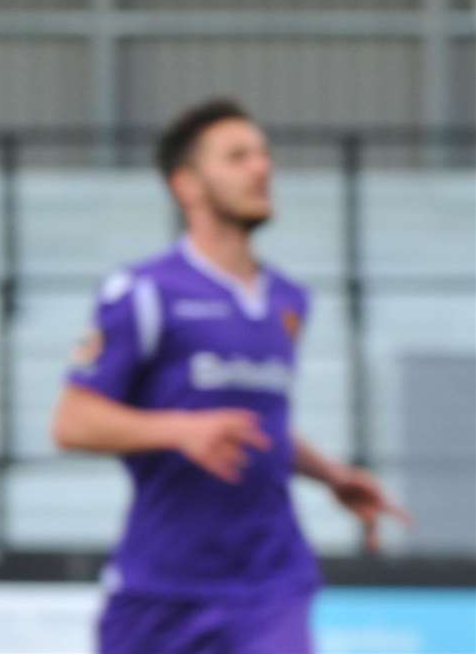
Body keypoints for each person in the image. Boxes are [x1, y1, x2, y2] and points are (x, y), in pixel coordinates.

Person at [51, 98, 411, 654]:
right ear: (187, 185)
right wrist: (182, 429)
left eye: (263, 155)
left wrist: (332, 474)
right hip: (161, 590)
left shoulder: (288, 302)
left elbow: (259, 422)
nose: (261, 168)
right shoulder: (145, 293)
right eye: (237, 156)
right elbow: (73, 423)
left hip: (270, 583)